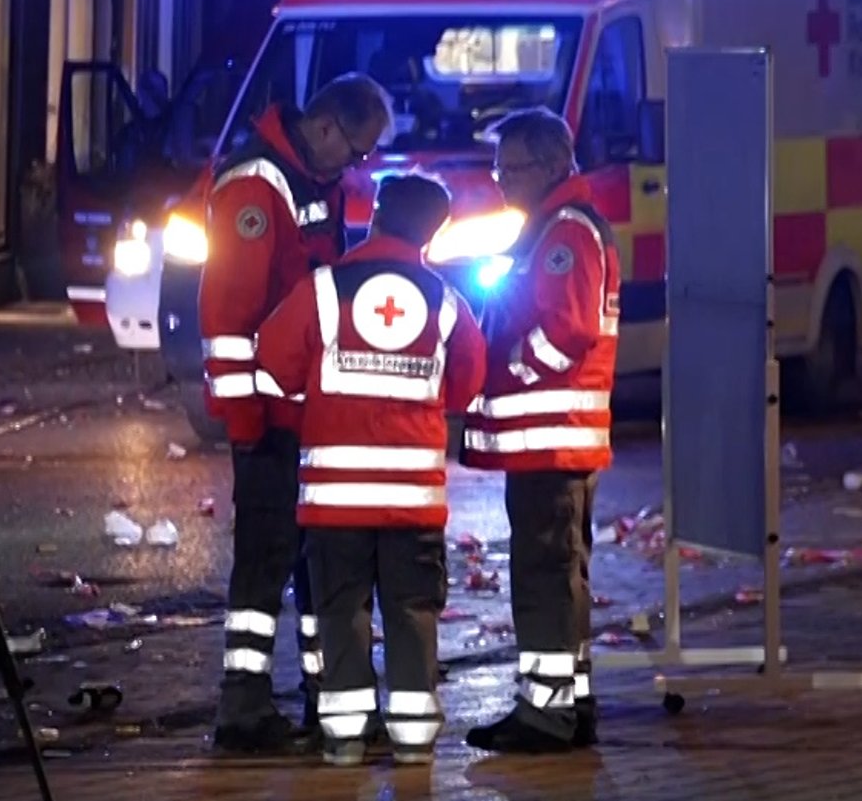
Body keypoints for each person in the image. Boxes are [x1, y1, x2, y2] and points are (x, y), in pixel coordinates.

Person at [253, 175, 488, 767]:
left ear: (376, 215)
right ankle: (413, 743)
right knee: (412, 613)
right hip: (413, 504)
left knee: (341, 614)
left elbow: (274, 362)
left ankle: (345, 739)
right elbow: (467, 383)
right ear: (434, 234)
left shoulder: (325, 289)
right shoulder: (446, 300)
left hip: (335, 504)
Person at [203, 74, 392, 755]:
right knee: (264, 558)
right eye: (357, 149)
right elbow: (228, 318)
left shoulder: (314, 180)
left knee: (315, 556)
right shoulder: (258, 184)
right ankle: (244, 706)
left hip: (308, 414)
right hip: (270, 419)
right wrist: (247, 422)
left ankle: (327, 696)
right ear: (325, 126)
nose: (356, 165)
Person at [463, 109, 621, 754]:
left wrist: (510, 372)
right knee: (561, 572)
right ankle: (570, 702)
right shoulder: (560, 226)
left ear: (555, 164)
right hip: (557, 438)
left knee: (544, 574)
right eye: (498, 168)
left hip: (549, 437)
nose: (502, 181)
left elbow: (570, 329)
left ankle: (546, 714)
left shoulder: (563, 232)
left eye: (514, 168)